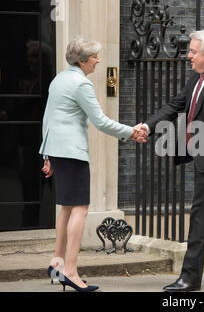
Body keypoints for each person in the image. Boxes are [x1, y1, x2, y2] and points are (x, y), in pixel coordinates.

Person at [133, 29, 204, 292]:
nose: (188, 56)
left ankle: (189, 278)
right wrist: (148, 127)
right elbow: (174, 106)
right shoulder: (197, 79)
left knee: (199, 218)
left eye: (193, 52)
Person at [39, 36, 136, 292]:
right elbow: (101, 122)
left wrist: (46, 155)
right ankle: (69, 271)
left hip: (59, 151)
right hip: (73, 153)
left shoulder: (59, 79)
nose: (98, 60)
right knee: (79, 209)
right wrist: (132, 132)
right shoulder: (81, 84)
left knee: (67, 209)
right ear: (83, 60)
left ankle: (56, 265)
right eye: (94, 56)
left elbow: (48, 117)